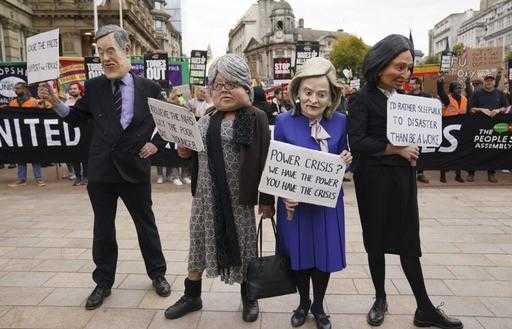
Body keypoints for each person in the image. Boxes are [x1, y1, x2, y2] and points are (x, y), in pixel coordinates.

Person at [38, 24, 171, 310]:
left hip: (134, 170)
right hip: (101, 172)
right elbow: (75, 118)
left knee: (146, 225)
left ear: (127, 51)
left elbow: (171, 123)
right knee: (103, 229)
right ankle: (103, 283)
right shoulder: (95, 87)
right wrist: (54, 101)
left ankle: (158, 274)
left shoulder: (150, 88)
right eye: (100, 53)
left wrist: (157, 144)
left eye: (111, 50)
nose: (106, 58)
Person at [348, 34, 463, 329]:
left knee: (409, 243)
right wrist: (396, 149)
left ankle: (424, 307)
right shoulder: (361, 99)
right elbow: (358, 141)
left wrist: (415, 147)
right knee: (375, 241)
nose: (405, 74)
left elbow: (412, 139)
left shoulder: (405, 101)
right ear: (380, 63)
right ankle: (380, 298)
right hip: (373, 181)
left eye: (408, 68)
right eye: (399, 67)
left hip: (402, 179)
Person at [164, 54, 275, 323]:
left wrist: (267, 200)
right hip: (205, 198)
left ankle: (249, 296)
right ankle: (192, 296)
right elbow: (190, 153)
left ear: (245, 88)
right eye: (217, 85)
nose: (223, 90)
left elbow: (264, 159)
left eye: (231, 84)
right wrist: (184, 151)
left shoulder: (255, 117)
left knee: (245, 246)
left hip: (240, 200)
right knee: (198, 244)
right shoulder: (205, 119)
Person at [274, 57, 352, 329]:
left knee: (323, 256)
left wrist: (345, 160)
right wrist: (285, 195)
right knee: (298, 256)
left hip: (326, 205)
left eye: (322, 94)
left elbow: (343, 162)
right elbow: (277, 166)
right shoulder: (283, 123)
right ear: (297, 93)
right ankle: (303, 302)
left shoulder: (341, 123)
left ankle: (318, 305)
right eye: (307, 93)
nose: (313, 100)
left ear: (332, 98)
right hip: (293, 206)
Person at [467, 73, 509, 183]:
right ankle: (471, 173)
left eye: (491, 80)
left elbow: (507, 108)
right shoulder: (476, 93)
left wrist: (499, 110)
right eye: (487, 80)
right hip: (478, 126)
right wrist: (481, 109)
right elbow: (470, 109)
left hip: (495, 127)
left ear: (494, 82)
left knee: (492, 150)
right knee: (475, 149)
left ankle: (491, 174)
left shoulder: (500, 94)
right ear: (484, 81)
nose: (489, 82)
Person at [7, 82, 46, 187]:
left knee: (35, 156)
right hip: (18, 134)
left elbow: (42, 114)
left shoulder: (33, 101)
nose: (16, 90)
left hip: (32, 133)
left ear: (24, 89)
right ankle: (21, 179)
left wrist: (42, 105)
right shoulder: (12, 103)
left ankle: (39, 178)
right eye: (15, 88)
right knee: (20, 156)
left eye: (18, 88)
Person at [436, 76, 466, 183]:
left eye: (460, 87)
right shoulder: (447, 99)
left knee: (459, 152)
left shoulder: (464, 99)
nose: (459, 89)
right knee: (445, 152)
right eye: (456, 87)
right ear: (451, 89)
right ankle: (442, 175)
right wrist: (440, 83)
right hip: (447, 130)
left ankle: (458, 175)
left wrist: (467, 82)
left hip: (459, 129)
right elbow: (441, 92)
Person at [408, 79, 431, 184]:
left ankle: (420, 173)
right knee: (410, 149)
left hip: (422, 128)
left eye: (415, 84)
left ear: (419, 85)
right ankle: (410, 172)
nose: (413, 85)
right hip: (410, 127)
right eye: (411, 84)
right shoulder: (407, 96)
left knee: (420, 151)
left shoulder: (426, 96)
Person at [66, 82, 89, 186]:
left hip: (84, 131)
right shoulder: (67, 102)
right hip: (71, 132)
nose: (72, 90)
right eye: (71, 89)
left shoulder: (84, 101)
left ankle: (85, 176)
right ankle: (77, 177)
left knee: (84, 155)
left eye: (75, 88)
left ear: (80, 90)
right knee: (74, 156)